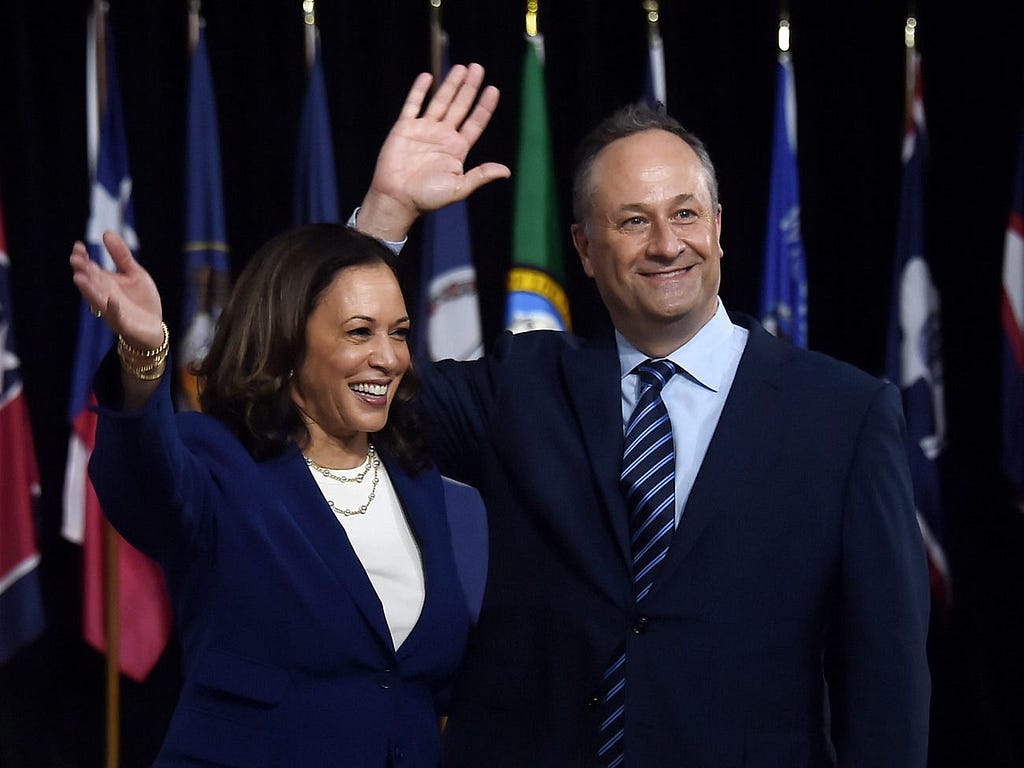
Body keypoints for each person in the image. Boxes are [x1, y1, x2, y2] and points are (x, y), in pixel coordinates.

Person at [353, 64, 931, 766]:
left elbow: (887, 673)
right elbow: (336, 385)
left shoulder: (844, 413)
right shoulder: (521, 384)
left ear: (718, 229)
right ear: (585, 250)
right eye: (632, 220)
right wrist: (383, 219)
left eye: (685, 213)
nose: (665, 243)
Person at [69, 224, 471, 767]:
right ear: (288, 341)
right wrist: (144, 359)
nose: (389, 358)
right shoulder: (222, 463)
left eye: (398, 332)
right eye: (359, 332)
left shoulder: (421, 480)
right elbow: (145, 486)